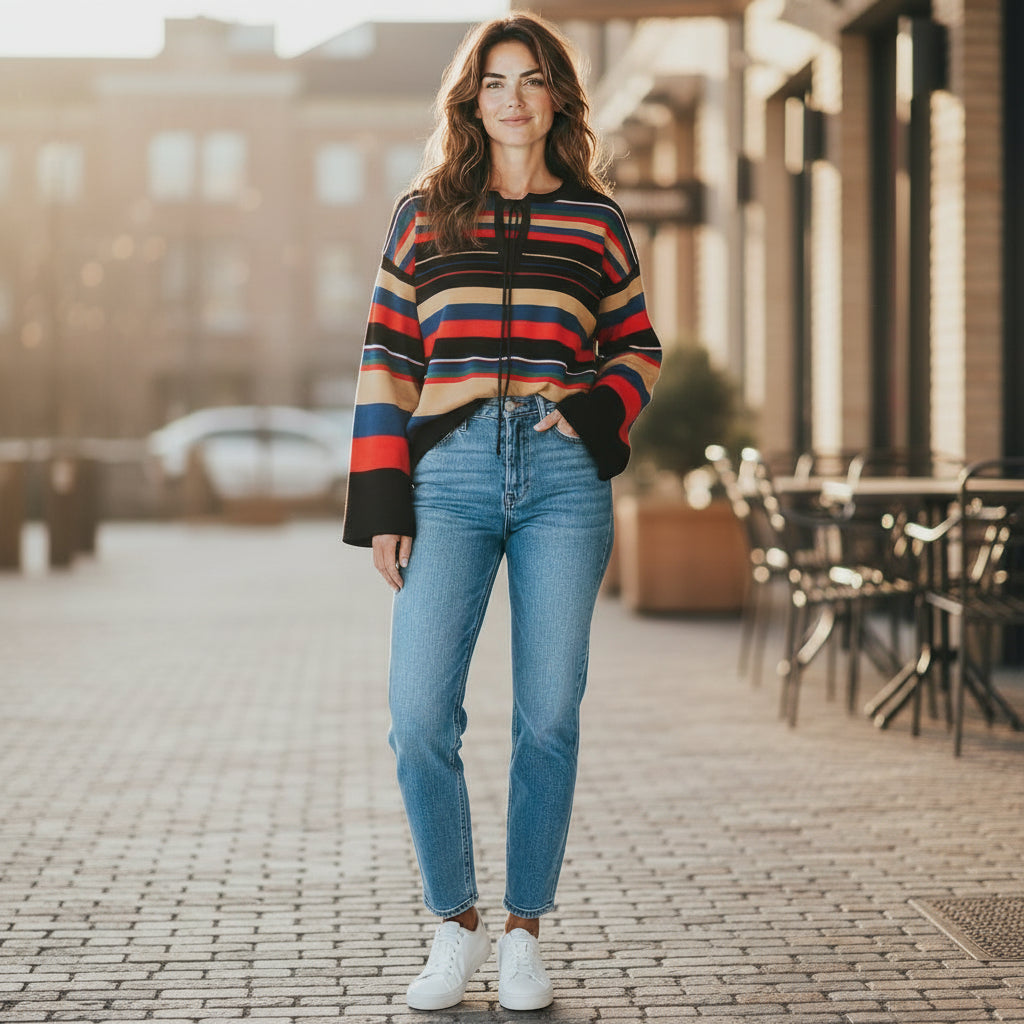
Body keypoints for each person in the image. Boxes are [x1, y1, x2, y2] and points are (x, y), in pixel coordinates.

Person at [342, 11, 661, 1012]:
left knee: (548, 717)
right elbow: (387, 358)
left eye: (529, 79)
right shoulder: (423, 215)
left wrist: (594, 412)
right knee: (416, 718)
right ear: (471, 102)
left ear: (557, 97)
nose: (511, 98)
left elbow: (637, 346)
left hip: (564, 478)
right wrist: (383, 499)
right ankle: (457, 923)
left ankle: (525, 931)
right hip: (449, 477)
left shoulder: (596, 220)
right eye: (493, 81)